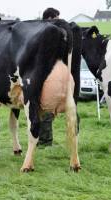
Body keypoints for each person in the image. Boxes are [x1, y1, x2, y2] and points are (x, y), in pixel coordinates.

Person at [37, 7, 60, 147]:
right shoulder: (46, 33)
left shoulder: (39, 30)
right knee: (45, 108)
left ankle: (43, 139)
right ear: (50, 18)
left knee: (43, 109)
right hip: (44, 75)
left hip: (43, 74)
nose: (58, 21)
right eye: (56, 18)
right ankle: (45, 140)